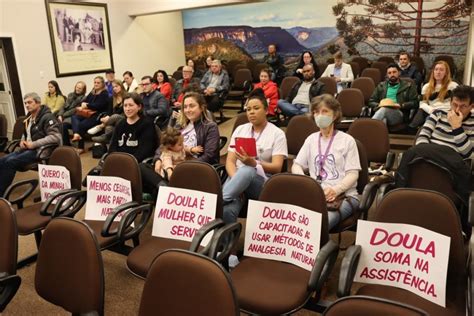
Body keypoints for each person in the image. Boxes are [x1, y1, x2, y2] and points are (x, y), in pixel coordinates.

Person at [397, 85, 473, 236]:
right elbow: (422, 139)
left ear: (471, 106)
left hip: (453, 173)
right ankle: (401, 206)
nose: (457, 109)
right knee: (413, 154)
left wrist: (457, 127)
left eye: (463, 106)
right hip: (426, 164)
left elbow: (468, 155)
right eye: (454, 104)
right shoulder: (438, 113)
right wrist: (435, 155)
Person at [292, 94, 361, 230]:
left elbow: (353, 174)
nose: (319, 115)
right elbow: (296, 165)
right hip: (315, 194)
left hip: (343, 196)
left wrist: (335, 190)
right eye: (316, 112)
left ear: (334, 115)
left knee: (317, 227)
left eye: (324, 111)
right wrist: (306, 182)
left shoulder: (347, 140)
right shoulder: (311, 139)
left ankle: (324, 251)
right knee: (293, 225)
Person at [223, 89, 288, 224]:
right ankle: (226, 243)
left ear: (266, 110)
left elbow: (277, 167)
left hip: (262, 182)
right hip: (236, 177)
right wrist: (238, 181)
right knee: (227, 210)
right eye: (248, 109)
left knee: (248, 169)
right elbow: (229, 161)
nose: (251, 112)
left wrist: (253, 163)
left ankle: (218, 201)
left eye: (256, 108)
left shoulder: (277, 134)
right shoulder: (240, 129)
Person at [140, 92, 220, 198]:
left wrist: (183, 167)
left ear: (201, 107)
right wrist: (158, 160)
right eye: (185, 107)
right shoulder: (180, 124)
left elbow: (209, 155)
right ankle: (165, 188)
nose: (188, 110)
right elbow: (164, 145)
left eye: (192, 106)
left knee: (153, 186)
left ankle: (163, 190)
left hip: (192, 169)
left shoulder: (210, 127)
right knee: (142, 166)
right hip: (170, 167)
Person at [0, 93, 61, 196]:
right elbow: (26, 134)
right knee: (2, 161)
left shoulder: (47, 117)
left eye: (30, 102)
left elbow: (56, 137)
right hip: (28, 149)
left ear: (38, 103)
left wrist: (33, 144)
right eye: (25, 103)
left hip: (40, 151)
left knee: (10, 162)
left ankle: (1, 194)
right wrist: (22, 142)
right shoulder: (29, 117)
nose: (27, 105)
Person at [108, 92, 157, 162]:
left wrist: (127, 162)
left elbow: (145, 151)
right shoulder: (120, 124)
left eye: (131, 105)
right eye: (125, 106)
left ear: (139, 107)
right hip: (118, 161)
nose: (127, 109)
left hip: (135, 163)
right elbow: (112, 146)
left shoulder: (147, 124)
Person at [409, 60, 458, 128]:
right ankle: (412, 128)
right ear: (433, 72)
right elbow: (422, 104)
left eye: (441, 70)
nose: (438, 72)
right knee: (423, 114)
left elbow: (456, 104)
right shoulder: (426, 86)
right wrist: (431, 110)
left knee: (429, 120)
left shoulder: (453, 86)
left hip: (446, 112)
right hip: (432, 111)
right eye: (436, 69)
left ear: (446, 72)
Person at [70, 76, 109, 153]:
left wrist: (87, 105)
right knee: (74, 117)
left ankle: (80, 148)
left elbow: (99, 106)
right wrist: (84, 105)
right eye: (95, 82)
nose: (96, 84)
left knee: (81, 125)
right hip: (88, 113)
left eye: (98, 83)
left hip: (97, 115)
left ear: (102, 84)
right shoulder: (93, 92)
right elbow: (85, 101)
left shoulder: (104, 94)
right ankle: (76, 134)